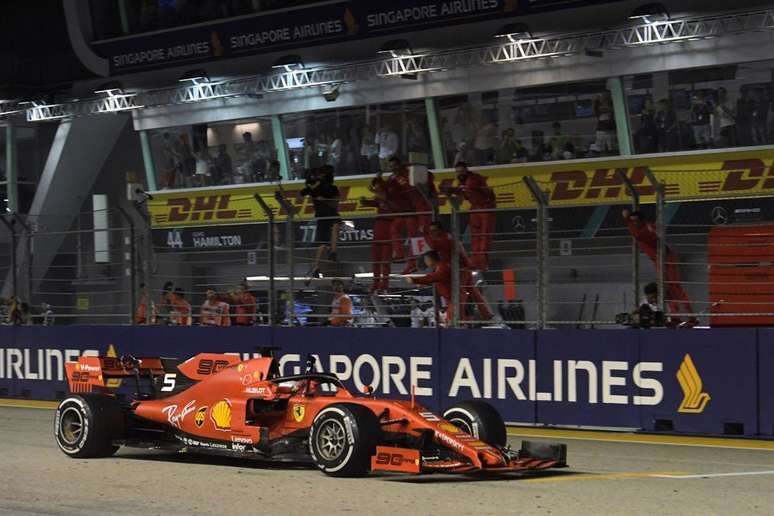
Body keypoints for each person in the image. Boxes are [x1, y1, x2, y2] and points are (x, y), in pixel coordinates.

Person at [622, 209, 696, 325]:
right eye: (632, 221)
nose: (634, 224)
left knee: (674, 287)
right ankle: (677, 316)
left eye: (636, 221)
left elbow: (637, 235)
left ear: (641, 221)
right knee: (668, 288)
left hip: (666, 257)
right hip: (659, 259)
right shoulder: (645, 227)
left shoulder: (644, 231)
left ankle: (689, 316)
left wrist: (626, 219)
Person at [443, 162, 496, 271]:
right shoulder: (462, 181)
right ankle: (476, 262)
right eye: (457, 171)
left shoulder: (474, 179)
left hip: (486, 208)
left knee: (484, 236)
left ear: (466, 170)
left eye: (461, 171)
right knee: (475, 236)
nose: (459, 173)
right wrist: (450, 190)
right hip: (475, 208)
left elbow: (467, 190)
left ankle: (482, 263)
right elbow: (462, 191)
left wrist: (450, 190)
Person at [301, 165, 340, 281]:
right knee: (327, 238)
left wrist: (324, 198)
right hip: (324, 214)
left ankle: (327, 257)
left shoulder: (329, 187)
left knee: (327, 238)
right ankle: (328, 256)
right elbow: (304, 192)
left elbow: (335, 200)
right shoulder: (316, 187)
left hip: (326, 214)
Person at [407, 250, 468, 324]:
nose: (425, 262)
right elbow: (436, 279)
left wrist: (415, 280)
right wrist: (423, 283)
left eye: (426, 260)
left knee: (454, 321)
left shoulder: (443, 267)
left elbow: (435, 277)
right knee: (452, 320)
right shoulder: (438, 268)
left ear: (431, 259)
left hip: (455, 298)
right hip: (451, 298)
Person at [385, 157, 419, 274]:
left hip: (412, 212)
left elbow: (411, 190)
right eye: (391, 166)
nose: (393, 168)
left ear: (400, 165)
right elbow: (387, 193)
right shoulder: (390, 178)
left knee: (413, 238)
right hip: (400, 212)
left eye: (395, 165)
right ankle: (399, 254)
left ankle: (412, 264)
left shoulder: (408, 175)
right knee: (394, 229)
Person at [361, 172, 394, 292]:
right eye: (376, 187)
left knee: (385, 261)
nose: (377, 189)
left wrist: (376, 193)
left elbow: (386, 199)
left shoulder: (391, 195)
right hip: (378, 228)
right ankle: (375, 284)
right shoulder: (379, 197)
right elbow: (374, 202)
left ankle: (384, 285)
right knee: (376, 260)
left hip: (389, 228)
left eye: (378, 186)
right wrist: (364, 202)